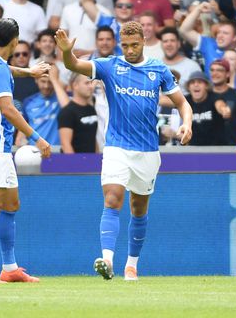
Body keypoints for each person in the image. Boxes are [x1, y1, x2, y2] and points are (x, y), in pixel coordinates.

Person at [55, 22, 193, 281]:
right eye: (125, 45)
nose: (129, 50)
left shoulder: (158, 70)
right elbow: (73, 65)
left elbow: (182, 103)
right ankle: (107, 259)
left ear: (144, 41)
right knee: (112, 199)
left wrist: (187, 122)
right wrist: (65, 52)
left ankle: (132, 265)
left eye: (134, 45)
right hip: (117, 147)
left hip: (147, 151)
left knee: (138, 208)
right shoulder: (110, 65)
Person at [0, 18, 51, 283]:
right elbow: (8, 109)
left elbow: (3, 69)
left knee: (11, 203)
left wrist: (30, 72)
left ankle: (10, 268)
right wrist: (36, 138)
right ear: (15, 41)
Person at [58, 73, 98, 153]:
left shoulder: (91, 109)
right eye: (87, 83)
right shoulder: (67, 112)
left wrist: (97, 159)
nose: (91, 86)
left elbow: (93, 138)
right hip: (75, 162)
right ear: (75, 85)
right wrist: (75, 164)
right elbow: (66, 144)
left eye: (91, 83)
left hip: (92, 162)